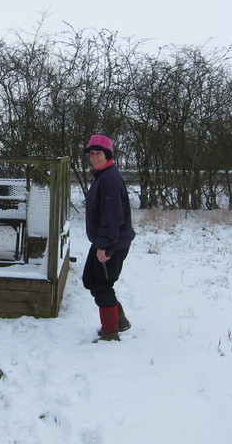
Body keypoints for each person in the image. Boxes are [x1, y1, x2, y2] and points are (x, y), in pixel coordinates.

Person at [81, 134, 136, 341]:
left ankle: (110, 333)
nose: (94, 157)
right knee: (91, 280)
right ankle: (119, 320)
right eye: (91, 154)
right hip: (103, 241)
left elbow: (112, 217)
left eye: (98, 153)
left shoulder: (110, 179)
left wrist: (103, 246)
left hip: (112, 243)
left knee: (102, 286)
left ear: (108, 155)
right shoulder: (102, 176)